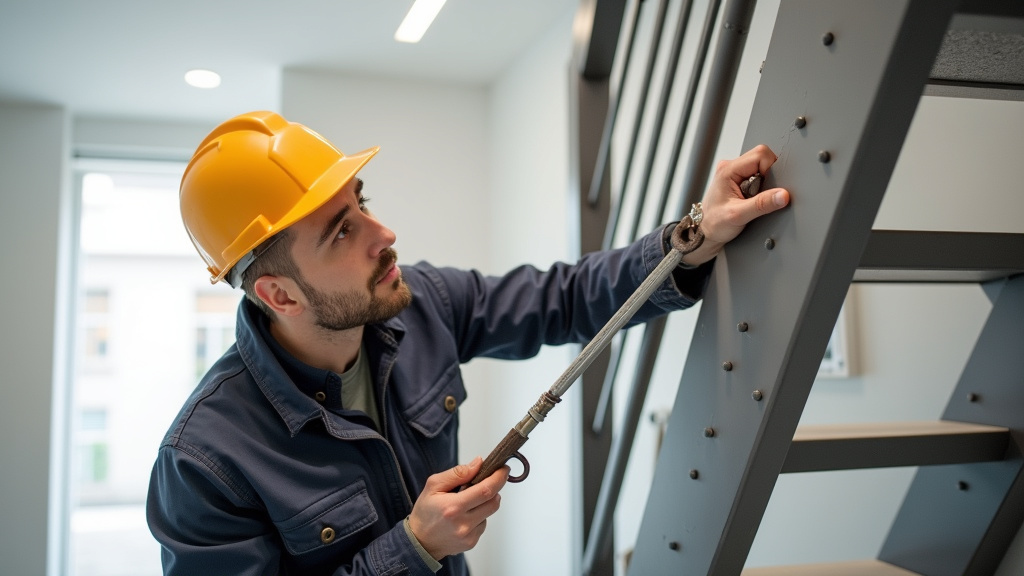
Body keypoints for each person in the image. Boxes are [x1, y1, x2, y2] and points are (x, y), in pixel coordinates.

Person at [146, 110, 790, 576]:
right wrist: (413, 549)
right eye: (342, 231)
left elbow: (565, 299)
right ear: (279, 295)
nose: (384, 233)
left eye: (362, 202)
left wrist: (695, 234)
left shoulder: (424, 303)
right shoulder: (204, 461)